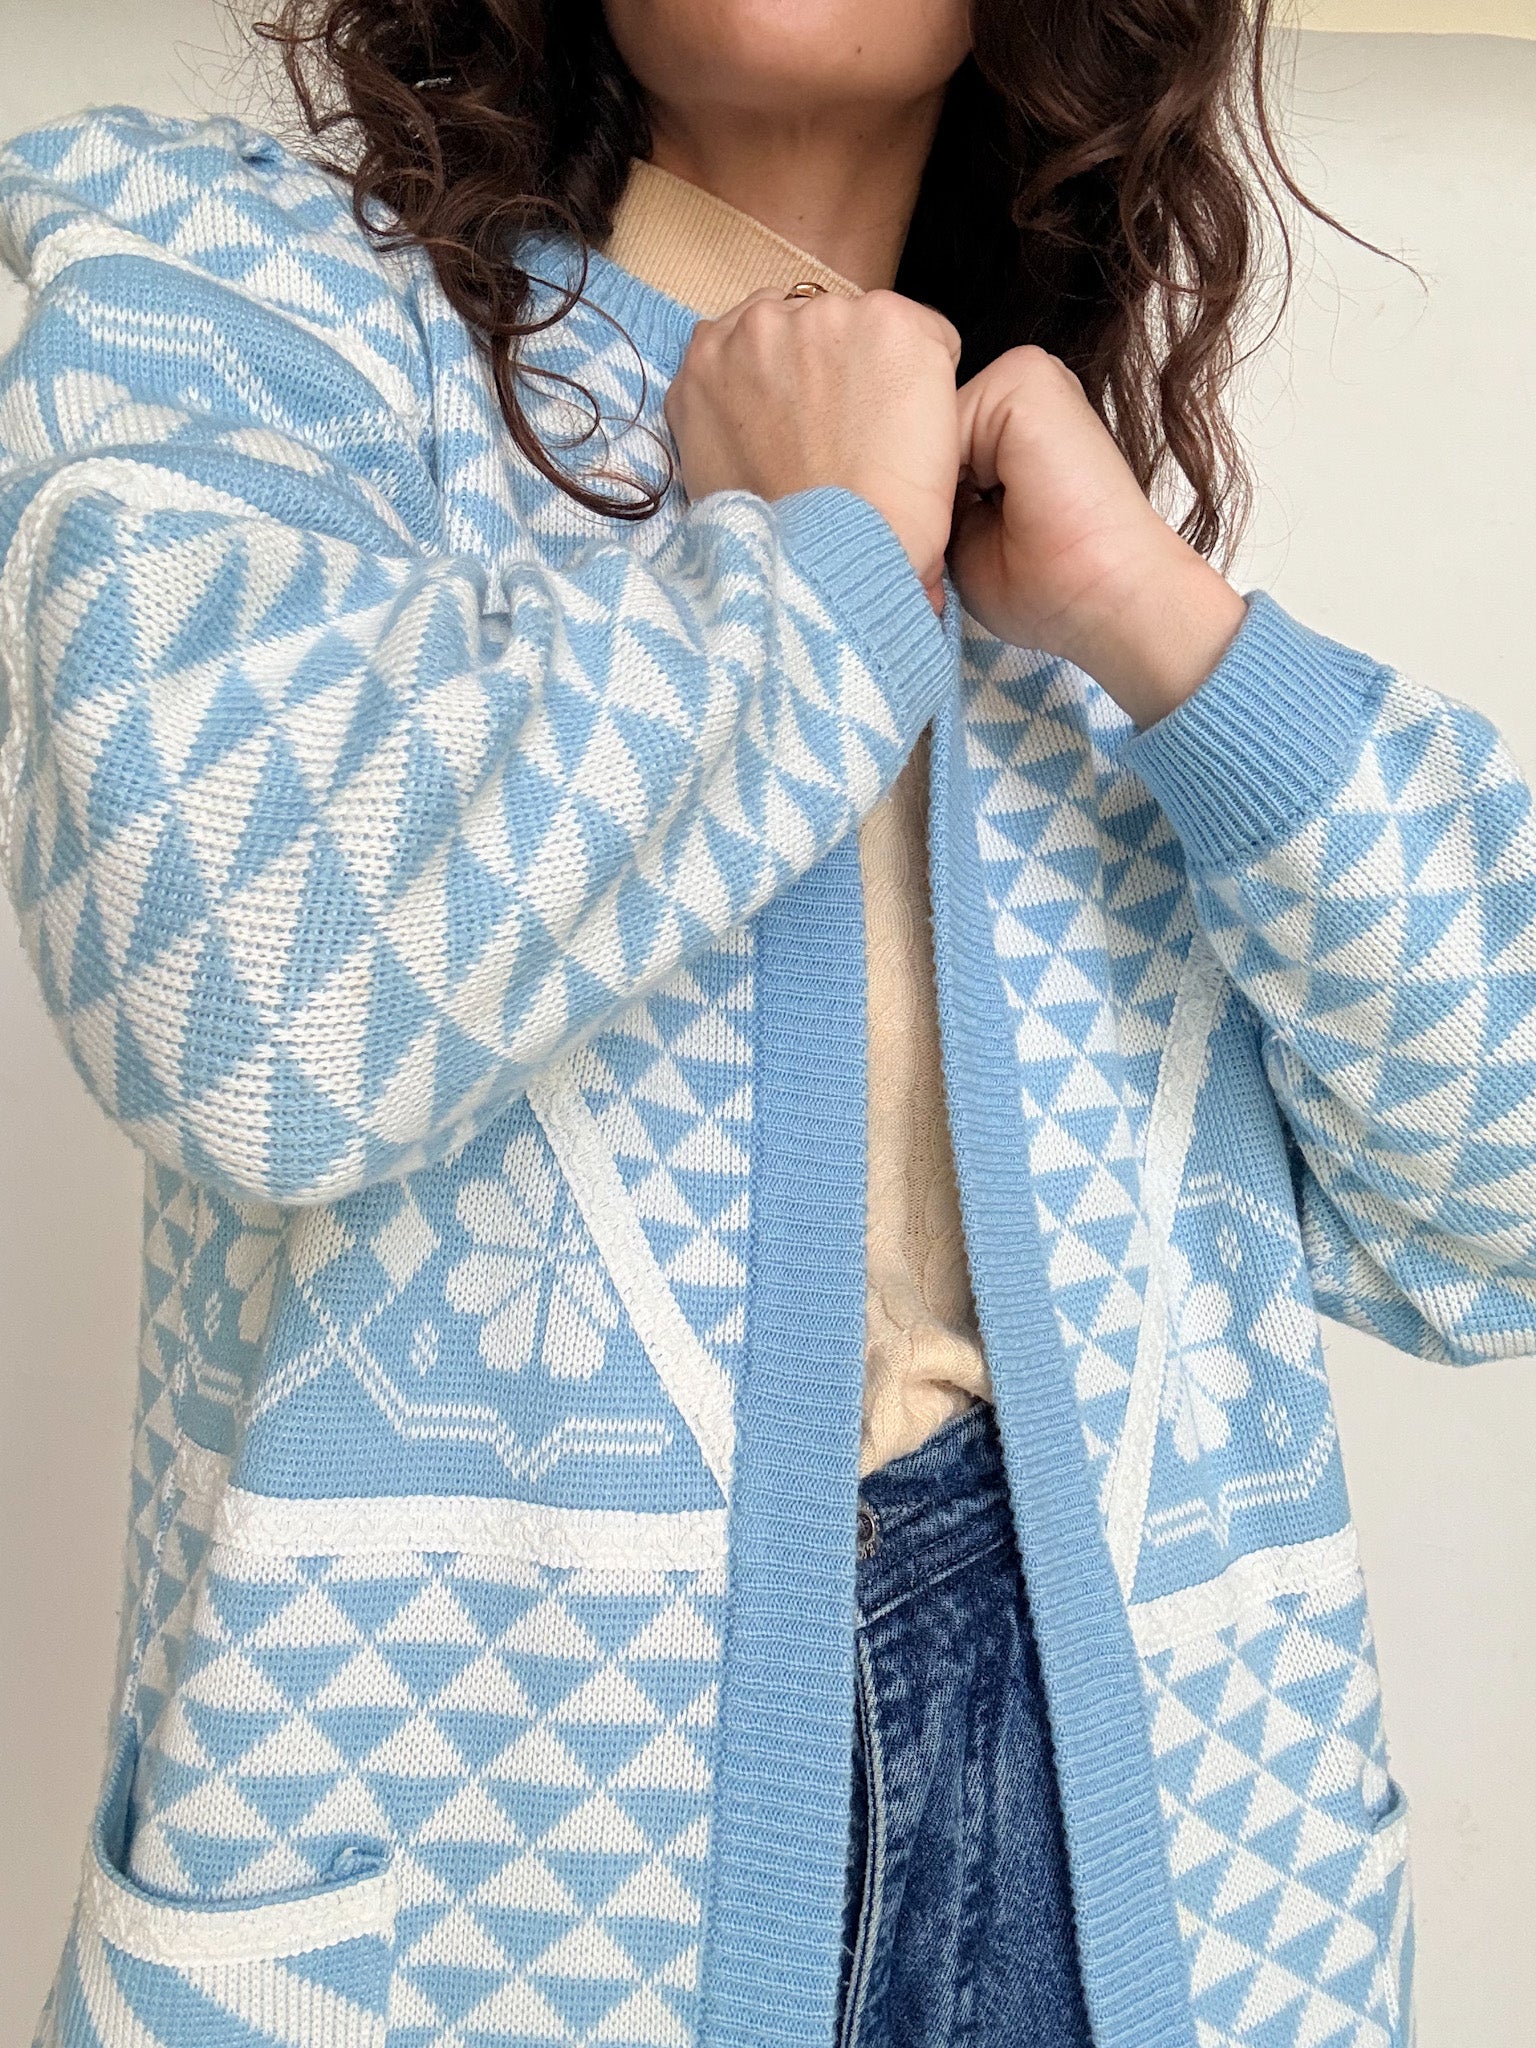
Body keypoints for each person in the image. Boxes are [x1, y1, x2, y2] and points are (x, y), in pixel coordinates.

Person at [0, 1, 1528, 2044]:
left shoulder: (1059, 539)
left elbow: (1505, 1211)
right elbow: (234, 1007)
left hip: (1138, 1868)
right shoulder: (255, 296)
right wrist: (815, 573)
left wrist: (1167, 628)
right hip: (496, 1875)